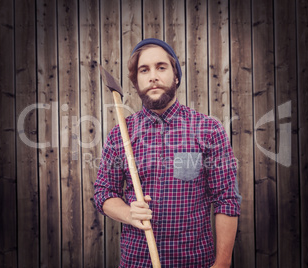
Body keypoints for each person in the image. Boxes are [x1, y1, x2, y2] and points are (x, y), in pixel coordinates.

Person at [94, 38, 241, 267]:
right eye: (144, 70)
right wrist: (128, 214)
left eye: (161, 67)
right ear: (136, 82)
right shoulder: (120, 134)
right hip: (137, 262)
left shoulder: (208, 130)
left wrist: (222, 263)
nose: (153, 76)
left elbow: (226, 200)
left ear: (176, 76)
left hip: (194, 261)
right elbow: (104, 192)